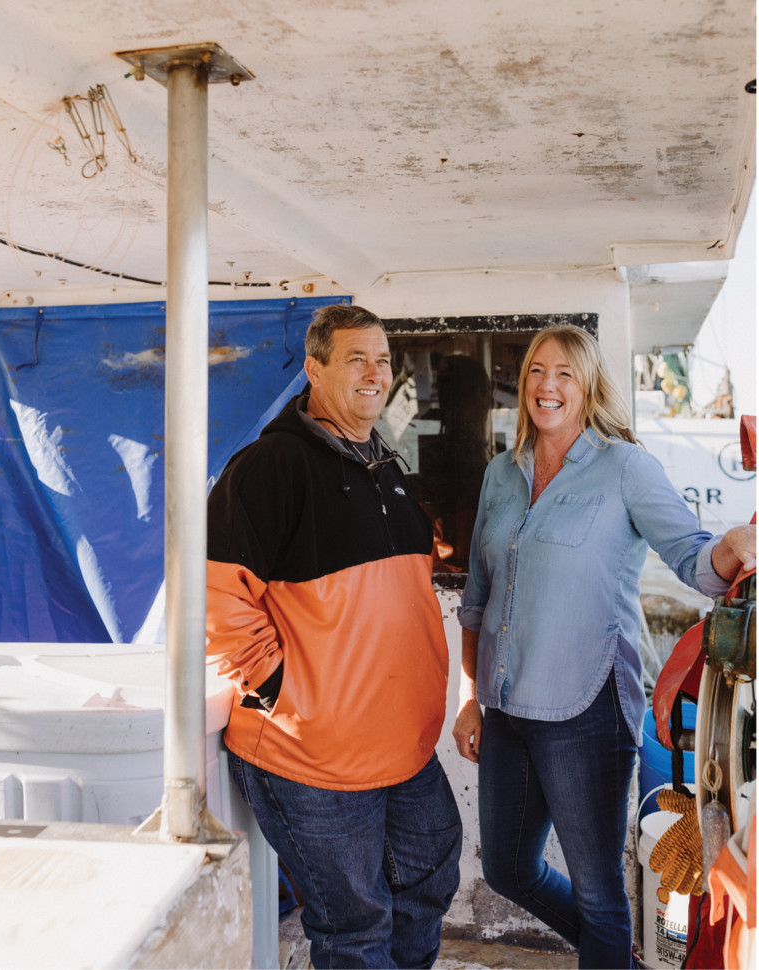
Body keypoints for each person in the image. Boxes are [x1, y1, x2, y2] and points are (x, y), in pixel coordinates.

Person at [451, 325, 757, 970]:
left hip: (586, 708)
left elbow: (692, 558)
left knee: (599, 895)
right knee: (508, 869)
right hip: (506, 709)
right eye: (536, 371)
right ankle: (611, 954)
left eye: (564, 372)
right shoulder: (500, 475)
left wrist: (730, 547)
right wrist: (471, 699)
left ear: (588, 385)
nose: (548, 385)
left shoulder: (625, 466)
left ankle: (608, 952)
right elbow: (477, 597)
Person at [207, 304, 462, 969]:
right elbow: (215, 600)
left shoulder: (387, 469)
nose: (375, 374)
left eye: (382, 360)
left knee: (429, 878)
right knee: (354, 929)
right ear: (314, 370)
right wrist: (280, 694)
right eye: (357, 359)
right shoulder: (270, 468)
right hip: (314, 755)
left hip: (402, 743)